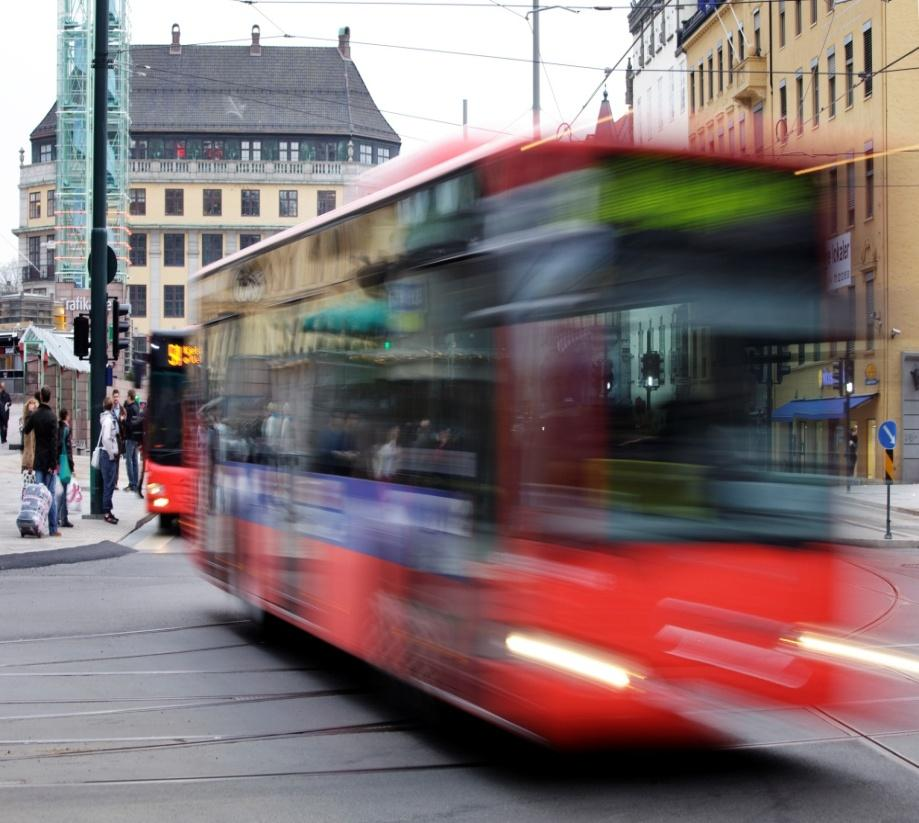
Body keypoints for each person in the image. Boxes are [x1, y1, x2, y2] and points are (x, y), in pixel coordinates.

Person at [23, 387, 61, 537]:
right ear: (49, 397)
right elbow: (53, 442)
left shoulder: (36, 415)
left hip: (38, 460)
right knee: (50, 495)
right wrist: (53, 463)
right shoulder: (52, 417)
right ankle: (53, 529)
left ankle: (36, 525)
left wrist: (30, 415)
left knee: (38, 495)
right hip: (49, 462)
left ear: (40, 398)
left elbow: (26, 430)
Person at [99, 396, 120, 524]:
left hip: (107, 455)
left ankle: (109, 510)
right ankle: (107, 512)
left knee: (110, 485)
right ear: (111, 406)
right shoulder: (108, 420)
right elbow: (106, 439)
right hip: (108, 456)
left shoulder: (107, 418)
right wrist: (112, 454)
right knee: (108, 485)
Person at [58, 409, 75, 527]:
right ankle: (63, 518)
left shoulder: (58, 428)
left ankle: (59, 516)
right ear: (67, 416)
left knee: (59, 490)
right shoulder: (66, 429)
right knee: (63, 490)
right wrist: (71, 465)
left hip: (59, 461)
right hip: (64, 462)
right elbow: (67, 448)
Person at [123, 389, 141, 492]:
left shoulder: (130, 409)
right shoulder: (137, 407)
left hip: (130, 437)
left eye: (127, 396)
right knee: (134, 460)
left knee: (128, 461)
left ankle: (131, 483)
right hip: (136, 438)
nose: (126, 398)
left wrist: (123, 420)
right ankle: (135, 483)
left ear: (130, 397)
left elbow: (130, 425)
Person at [21, 396, 38, 479]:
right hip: (28, 454)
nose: (31, 405)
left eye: (33, 403)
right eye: (30, 403)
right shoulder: (27, 417)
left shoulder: (35, 416)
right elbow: (25, 429)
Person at [112, 389, 125, 488]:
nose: (116, 399)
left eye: (117, 397)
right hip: (111, 438)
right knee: (111, 459)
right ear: (113, 397)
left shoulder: (122, 410)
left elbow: (126, 424)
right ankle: (111, 481)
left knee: (117, 461)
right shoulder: (110, 409)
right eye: (114, 397)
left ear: (119, 397)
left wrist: (123, 420)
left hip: (119, 437)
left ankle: (115, 482)